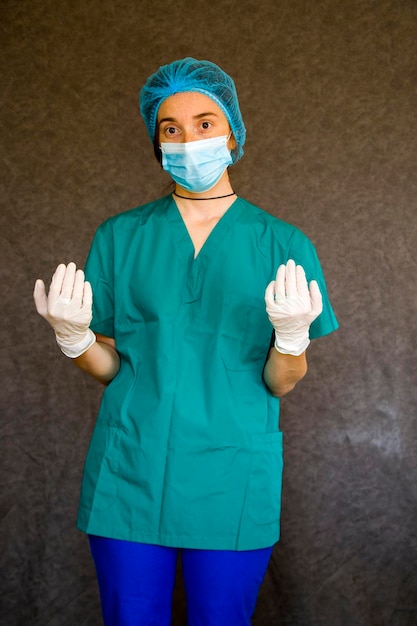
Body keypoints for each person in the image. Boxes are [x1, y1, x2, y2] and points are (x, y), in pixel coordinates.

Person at [34, 58, 338, 625]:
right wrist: (76, 340)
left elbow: (282, 380)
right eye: (170, 128)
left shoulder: (282, 242)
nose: (188, 139)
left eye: (204, 122)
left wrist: (292, 337)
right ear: (157, 141)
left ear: (232, 133)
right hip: (132, 469)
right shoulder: (121, 236)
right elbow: (111, 368)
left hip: (231, 472)